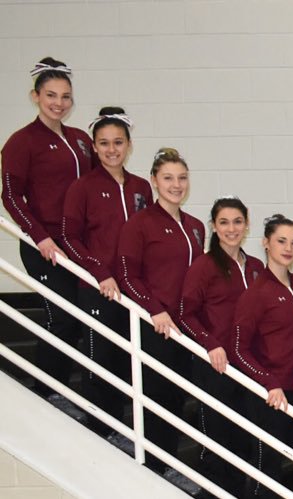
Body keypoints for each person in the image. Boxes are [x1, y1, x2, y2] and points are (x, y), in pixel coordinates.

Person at [3, 57, 99, 403]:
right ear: (35, 96)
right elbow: (11, 197)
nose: (59, 103)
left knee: (88, 316)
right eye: (51, 95)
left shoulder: (80, 140)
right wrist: (38, 236)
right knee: (62, 316)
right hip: (45, 246)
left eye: (66, 96)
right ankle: (45, 393)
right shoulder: (22, 141)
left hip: (78, 245)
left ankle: (81, 392)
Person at [59, 106, 150, 438]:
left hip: (134, 291)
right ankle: (99, 429)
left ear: (129, 145)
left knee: (130, 360)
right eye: (104, 143)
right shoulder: (82, 188)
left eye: (118, 142)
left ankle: (127, 429)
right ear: (94, 147)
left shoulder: (141, 187)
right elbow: (70, 237)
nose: (112, 149)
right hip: (97, 288)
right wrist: (99, 273)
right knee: (100, 358)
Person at [115, 147, 205, 478]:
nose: (176, 184)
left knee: (179, 399)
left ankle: (169, 465)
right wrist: (155, 311)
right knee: (157, 399)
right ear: (154, 181)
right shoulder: (140, 224)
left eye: (182, 178)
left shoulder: (195, 226)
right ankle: (153, 468)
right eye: (168, 178)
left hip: (186, 329)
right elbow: (126, 275)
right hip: (154, 327)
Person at [178, 196, 263, 489]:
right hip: (216, 366)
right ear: (214, 226)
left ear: (247, 224)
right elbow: (185, 314)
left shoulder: (254, 267)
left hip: (247, 367)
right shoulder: (204, 266)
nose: (231, 229)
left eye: (237, 221)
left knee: (244, 440)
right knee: (217, 438)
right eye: (224, 222)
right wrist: (210, 344)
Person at [230, 214, 293, 496]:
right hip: (270, 396)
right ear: (266, 243)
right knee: (266, 466)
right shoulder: (257, 293)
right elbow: (238, 349)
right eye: (281, 241)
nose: (288, 248)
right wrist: (269, 382)